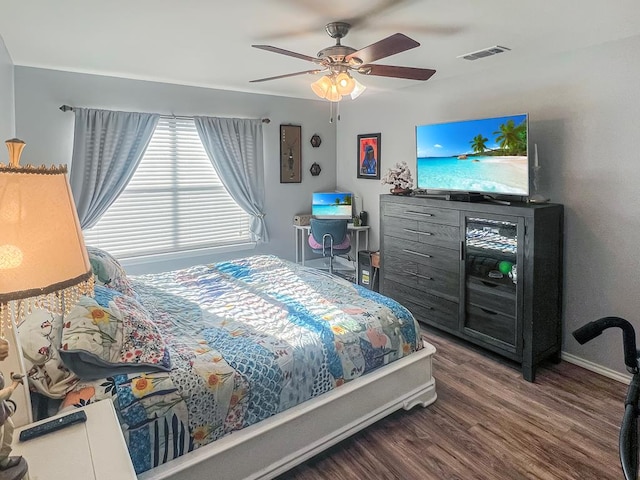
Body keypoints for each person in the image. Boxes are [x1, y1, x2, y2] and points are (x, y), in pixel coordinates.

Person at [0, 337, 25, 472]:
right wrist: (13, 385)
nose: (7, 356)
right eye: (4, 353)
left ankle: (3, 460)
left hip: (2, 409)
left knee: (9, 429)